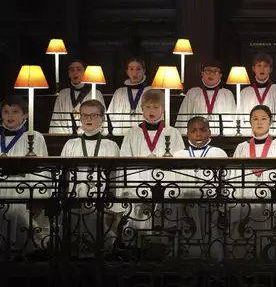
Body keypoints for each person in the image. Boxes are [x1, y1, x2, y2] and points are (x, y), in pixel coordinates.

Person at [117, 89, 185, 241]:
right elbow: (125, 161)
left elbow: (179, 163)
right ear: (142, 108)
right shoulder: (132, 133)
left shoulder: (173, 133)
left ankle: (162, 247)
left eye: (156, 107)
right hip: (138, 186)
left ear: (163, 109)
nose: (151, 111)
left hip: (165, 187)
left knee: (163, 220)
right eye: (148, 107)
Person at [60, 99, 121, 257]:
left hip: (101, 201)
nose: (88, 119)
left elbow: (116, 176)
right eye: (84, 115)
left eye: (93, 115)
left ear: (102, 118)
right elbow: (62, 174)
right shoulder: (70, 144)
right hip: (76, 199)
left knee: (100, 244)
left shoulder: (110, 145)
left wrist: (114, 206)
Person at [231, 105, 276, 261]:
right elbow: (235, 178)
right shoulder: (241, 147)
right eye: (255, 119)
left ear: (270, 122)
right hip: (247, 202)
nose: (259, 122)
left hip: (272, 204)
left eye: (263, 119)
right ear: (250, 122)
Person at [0, 95, 49, 257]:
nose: (9, 116)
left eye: (15, 112)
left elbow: (40, 169)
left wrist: (36, 197)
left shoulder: (34, 137)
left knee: (21, 221)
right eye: (5, 112)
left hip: (22, 188)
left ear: (25, 115)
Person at [173, 116, 227, 259]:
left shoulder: (219, 154)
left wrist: (222, 208)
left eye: (202, 130)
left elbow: (225, 182)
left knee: (213, 236)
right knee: (187, 239)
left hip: (211, 206)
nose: (198, 134)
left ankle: (214, 272)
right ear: (187, 133)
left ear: (209, 132)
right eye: (194, 130)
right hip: (185, 205)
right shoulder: (178, 156)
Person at [175, 62, 236, 136]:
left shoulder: (227, 94)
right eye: (208, 71)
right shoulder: (192, 93)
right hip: (196, 136)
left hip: (220, 137)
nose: (211, 74)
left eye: (215, 72)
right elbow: (183, 118)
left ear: (220, 76)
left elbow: (232, 119)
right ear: (202, 73)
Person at [49, 59, 105, 134]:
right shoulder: (63, 94)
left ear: (85, 72)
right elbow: (56, 120)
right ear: (69, 74)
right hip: (65, 137)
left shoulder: (96, 93)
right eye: (72, 70)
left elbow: (102, 119)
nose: (75, 73)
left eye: (79, 70)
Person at [237, 53, 276, 135]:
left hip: (272, 135)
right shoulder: (245, 93)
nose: (262, 69)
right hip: (249, 135)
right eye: (259, 66)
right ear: (253, 68)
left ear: (270, 69)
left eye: (265, 66)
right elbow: (240, 117)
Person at [106, 58, 150, 135]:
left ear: (144, 71)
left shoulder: (150, 91)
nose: (135, 73)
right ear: (127, 72)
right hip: (123, 133)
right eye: (131, 69)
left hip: (145, 135)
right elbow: (112, 114)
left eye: (138, 69)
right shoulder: (119, 92)